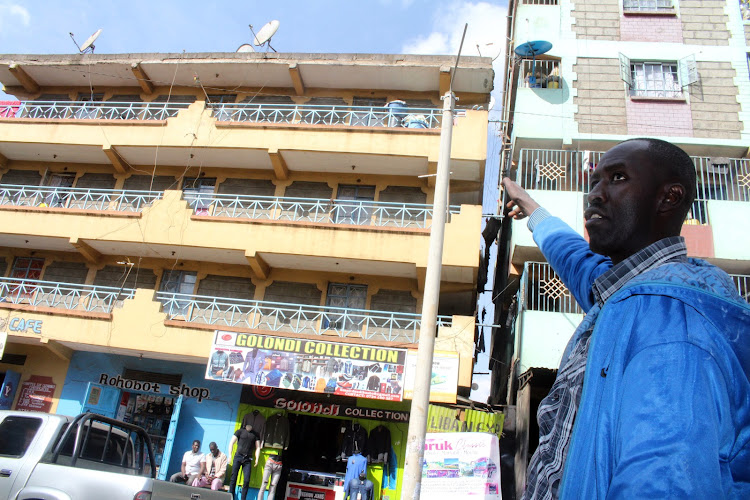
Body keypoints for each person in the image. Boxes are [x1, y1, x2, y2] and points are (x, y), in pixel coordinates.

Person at [502, 138, 750, 499]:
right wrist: (530, 208)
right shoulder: (620, 295)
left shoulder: (671, 319)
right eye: (594, 182)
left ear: (669, 197)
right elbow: (572, 255)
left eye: (617, 178)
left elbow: (664, 484)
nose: (595, 195)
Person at [228, 418, 261, 500]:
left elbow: (258, 447)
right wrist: (230, 455)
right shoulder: (239, 431)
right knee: (233, 478)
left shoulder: (255, 434)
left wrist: (257, 459)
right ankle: (230, 497)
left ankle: (243, 498)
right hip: (238, 456)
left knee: (246, 480)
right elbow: (231, 442)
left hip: (248, 459)